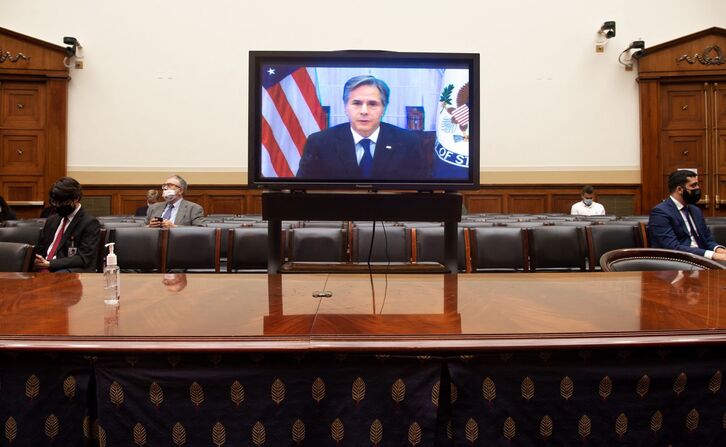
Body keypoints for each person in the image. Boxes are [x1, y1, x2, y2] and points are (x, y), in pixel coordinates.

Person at [296, 75, 426, 180]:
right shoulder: (319, 142)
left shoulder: (408, 142)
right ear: (345, 107)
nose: (364, 111)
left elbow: (420, 191)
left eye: (372, 104)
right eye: (356, 103)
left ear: (384, 108)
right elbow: (304, 190)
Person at [648, 170, 726, 261]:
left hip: (703, 259)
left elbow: (707, 239)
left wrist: (719, 250)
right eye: (693, 185)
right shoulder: (660, 212)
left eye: (697, 184)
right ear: (680, 190)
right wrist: (713, 255)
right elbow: (672, 247)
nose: (697, 188)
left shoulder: (695, 210)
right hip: (679, 262)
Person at [34, 177, 101, 272]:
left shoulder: (89, 223)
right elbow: (41, 249)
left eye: (62, 202)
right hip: (43, 267)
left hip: (66, 270)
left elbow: (83, 258)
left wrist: (49, 264)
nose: (57, 206)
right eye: (54, 202)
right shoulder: (52, 220)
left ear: (76, 199)